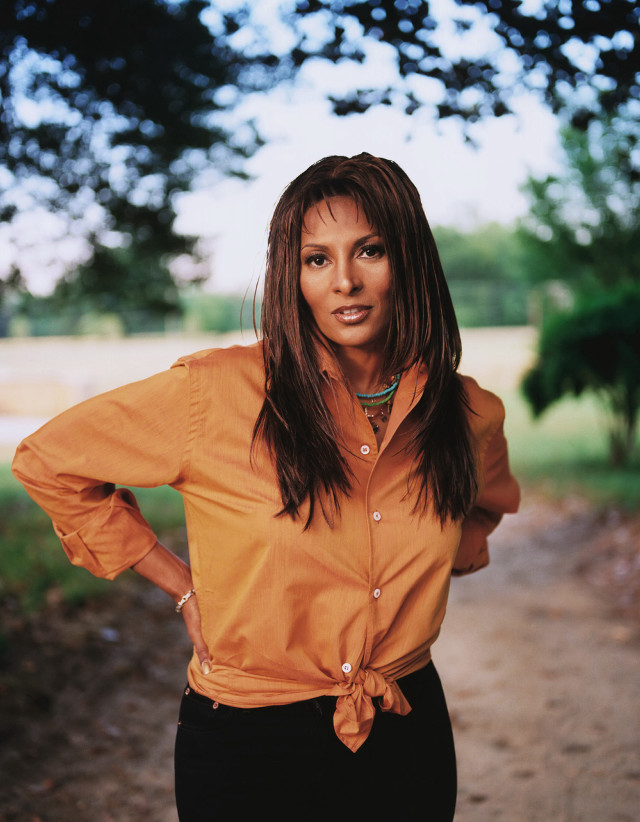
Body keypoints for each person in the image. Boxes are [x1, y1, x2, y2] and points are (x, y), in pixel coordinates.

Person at [12, 153, 520, 820]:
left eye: (370, 250)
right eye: (317, 259)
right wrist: (180, 583)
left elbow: (481, 508)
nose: (345, 281)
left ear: (410, 261)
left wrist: (406, 574)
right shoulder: (215, 393)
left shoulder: (468, 413)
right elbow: (49, 459)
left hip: (405, 729)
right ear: (293, 273)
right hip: (247, 745)